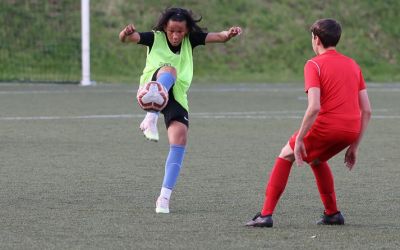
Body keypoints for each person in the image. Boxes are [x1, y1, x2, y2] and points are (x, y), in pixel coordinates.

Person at [246, 18, 372, 227]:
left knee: (285, 154)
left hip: (327, 127)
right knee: (317, 159)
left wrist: (300, 139)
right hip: (351, 130)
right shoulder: (352, 64)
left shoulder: (313, 64)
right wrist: (355, 146)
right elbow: (367, 110)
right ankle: (332, 213)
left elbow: (314, 107)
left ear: (316, 39)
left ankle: (265, 215)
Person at [119, 7, 242, 213]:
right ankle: (151, 116)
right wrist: (125, 34)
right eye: (171, 31)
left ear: (186, 30)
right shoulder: (154, 38)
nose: (175, 35)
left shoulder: (190, 40)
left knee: (180, 140)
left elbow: (219, 37)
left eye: (180, 31)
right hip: (152, 88)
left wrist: (228, 34)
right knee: (170, 69)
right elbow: (128, 39)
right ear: (165, 28)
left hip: (177, 95)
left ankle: (163, 198)